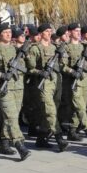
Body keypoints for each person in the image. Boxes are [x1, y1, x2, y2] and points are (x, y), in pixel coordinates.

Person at [0, 24, 32, 160]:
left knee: (8, 116)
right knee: (11, 116)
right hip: (4, 87)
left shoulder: (16, 49)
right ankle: (20, 144)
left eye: (10, 32)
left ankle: (4, 143)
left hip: (18, 86)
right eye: (5, 32)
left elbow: (25, 67)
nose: (9, 34)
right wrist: (1, 75)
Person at [25, 23, 69, 151]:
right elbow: (30, 68)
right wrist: (40, 72)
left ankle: (41, 137)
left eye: (50, 31)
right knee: (50, 110)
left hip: (57, 81)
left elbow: (63, 64)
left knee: (53, 109)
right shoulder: (35, 48)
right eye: (46, 31)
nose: (49, 33)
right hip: (44, 83)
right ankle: (59, 138)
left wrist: (62, 55)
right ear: (41, 33)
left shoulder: (56, 47)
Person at [60, 23, 87, 144]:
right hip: (73, 82)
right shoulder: (65, 47)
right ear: (70, 32)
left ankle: (72, 131)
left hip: (84, 81)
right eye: (75, 30)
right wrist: (72, 71)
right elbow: (62, 66)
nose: (78, 32)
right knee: (80, 107)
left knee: (77, 108)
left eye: (79, 30)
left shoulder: (84, 46)